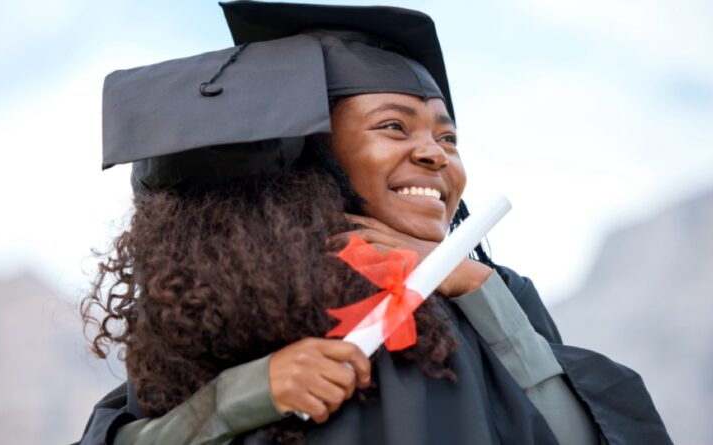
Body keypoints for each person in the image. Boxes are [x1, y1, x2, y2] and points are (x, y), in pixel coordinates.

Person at [75, 2, 672, 444]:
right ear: (318, 154)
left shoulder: (495, 294)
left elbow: (576, 436)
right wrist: (251, 392)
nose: (436, 154)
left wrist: (480, 294)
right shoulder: (241, 295)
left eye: (447, 136)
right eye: (394, 126)